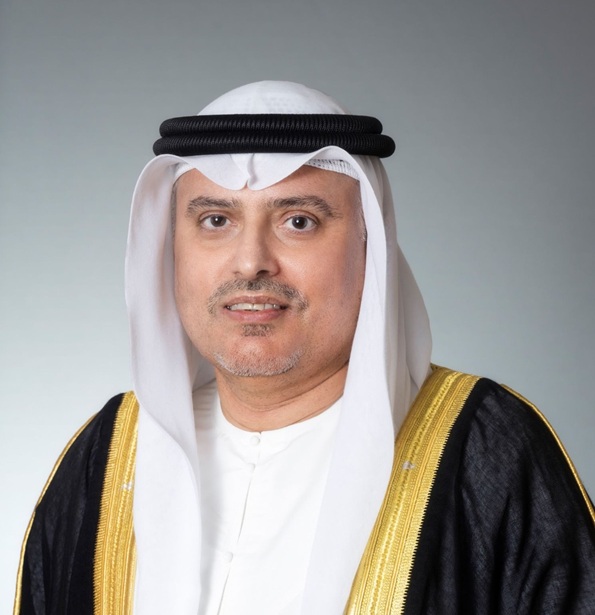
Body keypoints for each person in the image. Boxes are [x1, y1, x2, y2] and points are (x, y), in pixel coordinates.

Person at [14, 81, 595, 615]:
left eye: (298, 221)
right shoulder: (109, 455)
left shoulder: (486, 451)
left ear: (369, 247)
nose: (250, 263)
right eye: (215, 220)